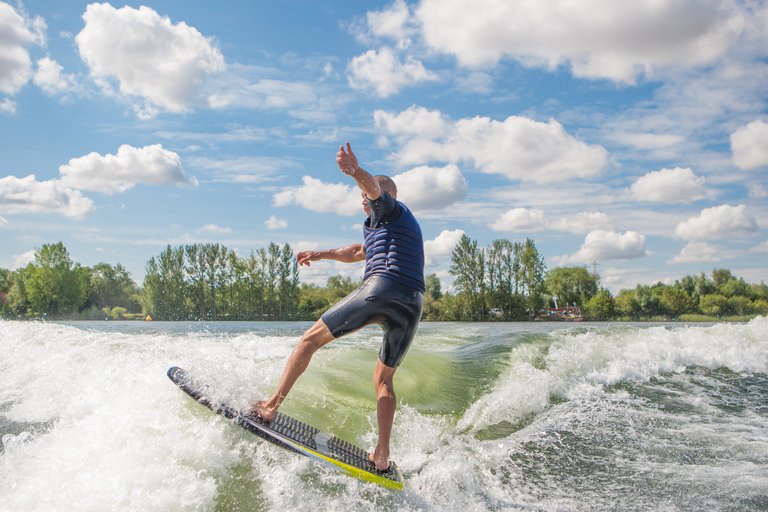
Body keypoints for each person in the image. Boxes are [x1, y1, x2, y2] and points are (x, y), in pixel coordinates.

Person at [251, 142, 425, 472]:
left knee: (308, 340)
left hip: (383, 286)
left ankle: (271, 405)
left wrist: (355, 172)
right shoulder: (385, 226)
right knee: (384, 381)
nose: (363, 198)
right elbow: (357, 251)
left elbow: (374, 188)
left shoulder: (389, 208)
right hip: (413, 301)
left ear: (386, 196)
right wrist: (320, 254)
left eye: (367, 195)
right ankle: (382, 454)